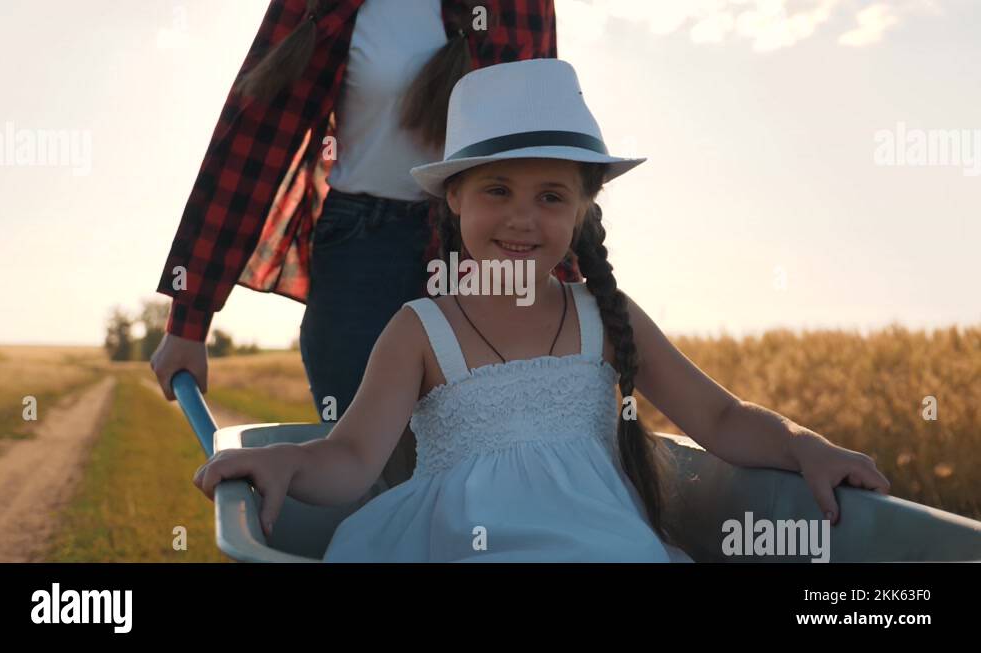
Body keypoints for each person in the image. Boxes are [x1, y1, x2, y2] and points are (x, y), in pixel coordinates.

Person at [193, 58, 891, 562]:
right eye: (498, 189)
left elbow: (721, 418)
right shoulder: (420, 330)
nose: (523, 219)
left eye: (551, 196)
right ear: (455, 199)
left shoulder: (604, 316)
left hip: (601, 545)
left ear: (583, 209)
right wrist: (288, 463)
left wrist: (805, 444)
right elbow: (351, 456)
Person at [150, 0, 575, 490]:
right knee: (372, 480)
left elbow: (545, 145)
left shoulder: (522, 7)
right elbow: (253, 135)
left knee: (486, 472)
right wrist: (189, 318)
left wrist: (565, 293)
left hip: (482, 254)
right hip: (359, 253)